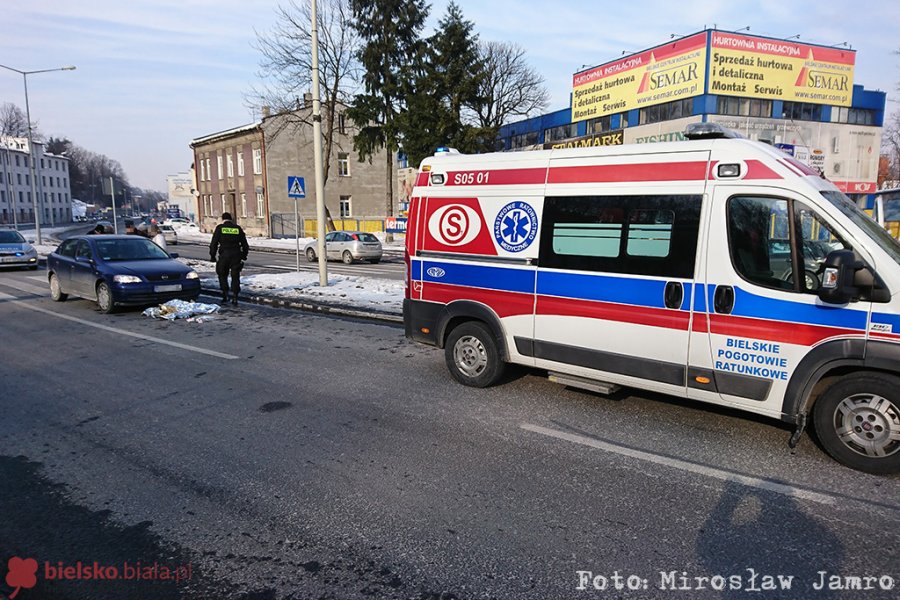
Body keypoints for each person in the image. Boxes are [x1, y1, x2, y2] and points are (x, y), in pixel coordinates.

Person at [209, 212, 249, 305]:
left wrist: (212, 256)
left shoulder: (220, 228)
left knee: (222, 275)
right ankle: (235, 296)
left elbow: (213, 244)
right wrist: (244, 255)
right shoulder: (237, 229)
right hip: (236, 255)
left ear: (223, 219)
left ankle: (225, 294)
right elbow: (245, 245)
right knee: (235, 276)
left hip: (224, 256)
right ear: (231, 219)